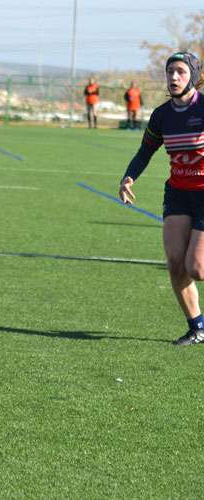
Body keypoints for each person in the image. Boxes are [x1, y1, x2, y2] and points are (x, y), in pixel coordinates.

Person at [119, 51, 204, 346]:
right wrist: (129, 177)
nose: (174, 77)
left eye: (180, 71)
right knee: (175, 263)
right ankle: (197, 327)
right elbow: (145, 151)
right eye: (170, 72)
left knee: (197, 268)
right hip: (178, 193)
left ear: (193, 75)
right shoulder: (161, 115)